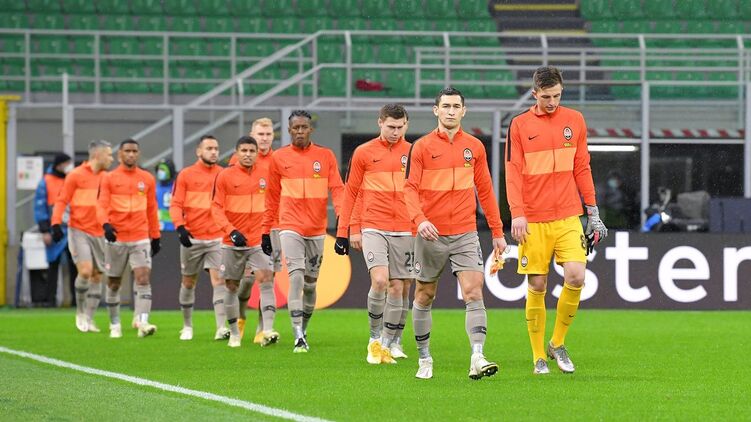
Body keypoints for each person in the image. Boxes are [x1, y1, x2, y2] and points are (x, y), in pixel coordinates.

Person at [504, 66, 608, 375]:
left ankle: (557, 343)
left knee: (576, 276)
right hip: (534, 218)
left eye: (557, 96)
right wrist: (517, 212)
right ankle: (538, 356)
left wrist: (593, 212)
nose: (552, 102)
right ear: (534, 93)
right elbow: (513, 171)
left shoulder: (574, 120)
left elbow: (582, 167)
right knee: (537, 284)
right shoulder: (519, 125)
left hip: (567, 215)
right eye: (546, 97)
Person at [404, 87, 507, 380]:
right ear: (436, 110)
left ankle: (477, 356)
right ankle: (424, 358)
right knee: (425, 294)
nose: (451, 111)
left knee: (473, 291)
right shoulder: (421, 147)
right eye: (446, 106)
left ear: (464, 111)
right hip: (430, 234)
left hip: (465, 232)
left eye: (456, 106)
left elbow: (485, 190)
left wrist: (497, 231)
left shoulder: (474, 147)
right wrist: (420, 220)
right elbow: (409, 188)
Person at [334, 103, 414, 364]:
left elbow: (421, 193)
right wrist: (347, 230)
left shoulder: (413, 153)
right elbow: (351, 193)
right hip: (374, 226)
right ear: (380, 123)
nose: (395, 132)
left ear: (406, 125)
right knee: (381, 281)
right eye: (391, 126)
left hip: (406, 228)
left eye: (400, 127)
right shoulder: (363, 153)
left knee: (401, 287)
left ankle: (392, 342)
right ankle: (374, 339)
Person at [262, 110, 344, 353]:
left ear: (310, 129)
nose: (299, 131)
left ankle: (304, 328)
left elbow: (337, 188)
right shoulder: (279, 157)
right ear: (289, 130)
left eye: (303, 127)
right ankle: (297, 333)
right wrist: (266, 230)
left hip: (317, 229)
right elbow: (272, 196)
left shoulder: (325, 156)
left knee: (310, 283)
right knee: (296, 276)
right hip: (290, 226)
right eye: (295, 128)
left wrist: (342, 219)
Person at [211, 136, 277, 348]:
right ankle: (234, 333)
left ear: (257, 153)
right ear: (237, 153)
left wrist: (269, 232)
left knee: (266, 280)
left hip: (258, 240)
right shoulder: (225, 176)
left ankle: (267, 331)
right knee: (231, 286)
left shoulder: (267, 174)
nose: (248, 154)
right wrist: (231, 231)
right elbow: (216, 208)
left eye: (251, 151)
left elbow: (274, 203)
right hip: (233, 242)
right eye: (244, 150)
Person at [96, 139, 161, 339]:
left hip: (140, 237)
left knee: (143, 278)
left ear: (138, 154)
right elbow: (101, 205)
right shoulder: (109, 178)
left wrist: (155, 235)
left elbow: (152, 208)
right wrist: (105, 225)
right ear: (119, 155)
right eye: (127, 151)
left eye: (134, 151)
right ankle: (115, 324)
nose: (131, 154)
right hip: (117, 237)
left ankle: (143, 322)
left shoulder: (147, 178)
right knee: (114, 283)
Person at [169, 135, 230, 341]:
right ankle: (187, 326)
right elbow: (176, 204)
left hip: (217, 237)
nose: (214, 152)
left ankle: (221, 327)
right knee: (188, 282)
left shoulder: (223, 174)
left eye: (216, 148)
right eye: (209, 148)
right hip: (193, 237)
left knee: (219, 281)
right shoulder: (186, 175)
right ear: (198, 151)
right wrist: (180, 227)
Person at [52, 143, 113, 331]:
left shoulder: (107, 178)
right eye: (109, 155)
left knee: (97, 275)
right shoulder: (75, 175)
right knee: (86, 271)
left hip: (100, 232)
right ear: (97, 155)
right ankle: (79, 312)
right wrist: (55, 223)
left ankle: (89, 317)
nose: (111, 159)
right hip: (79, 229)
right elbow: (62, 200)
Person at [233, 118, 281, 346]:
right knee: (246, 281)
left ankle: (263, 329)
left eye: (268, 134)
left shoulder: (279, 160)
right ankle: (241, 315)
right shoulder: (239, 160)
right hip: (247, 229)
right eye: (260, 134)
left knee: (268, 278)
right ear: (252, 134)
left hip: (273, 227)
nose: (264, 138)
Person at [33, 153, 75, 308]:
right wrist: (45, 230)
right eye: (67, 163)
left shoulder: (73, 179)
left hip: (73, 228)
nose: (70, 166)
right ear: (59, 165)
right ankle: (50, 300)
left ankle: (76, 301)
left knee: (75, 266)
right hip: (54, 229)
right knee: (53, 265)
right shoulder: (45, 181)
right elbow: (40, 207)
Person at [155, 158, 176, 231]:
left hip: (173, 229)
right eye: (159, 169)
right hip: (158, 228)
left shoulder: (176, 188)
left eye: (163, 169)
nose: (160, 172)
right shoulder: (155, 188)